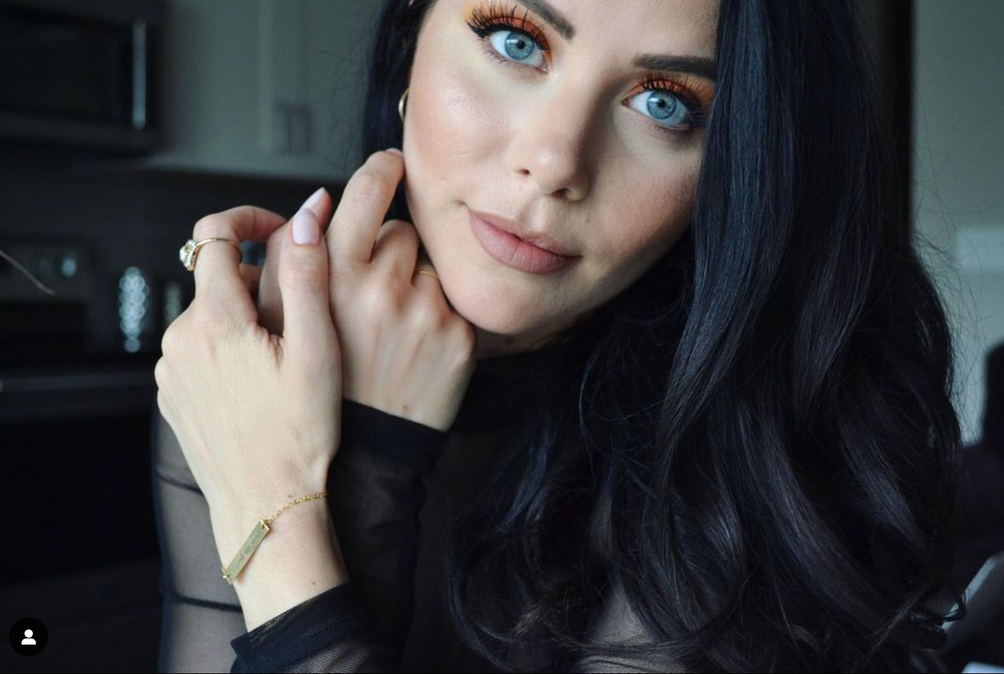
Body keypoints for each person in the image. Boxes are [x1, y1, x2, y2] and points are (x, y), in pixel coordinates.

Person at [151, 0, 973, 671]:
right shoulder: (256, 369)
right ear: (409, 42)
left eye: (664, 103)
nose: (554, 162)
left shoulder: (759, 459)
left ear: (737, 165)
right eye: (517, 41)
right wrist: (353, 455)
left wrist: (283, 519)